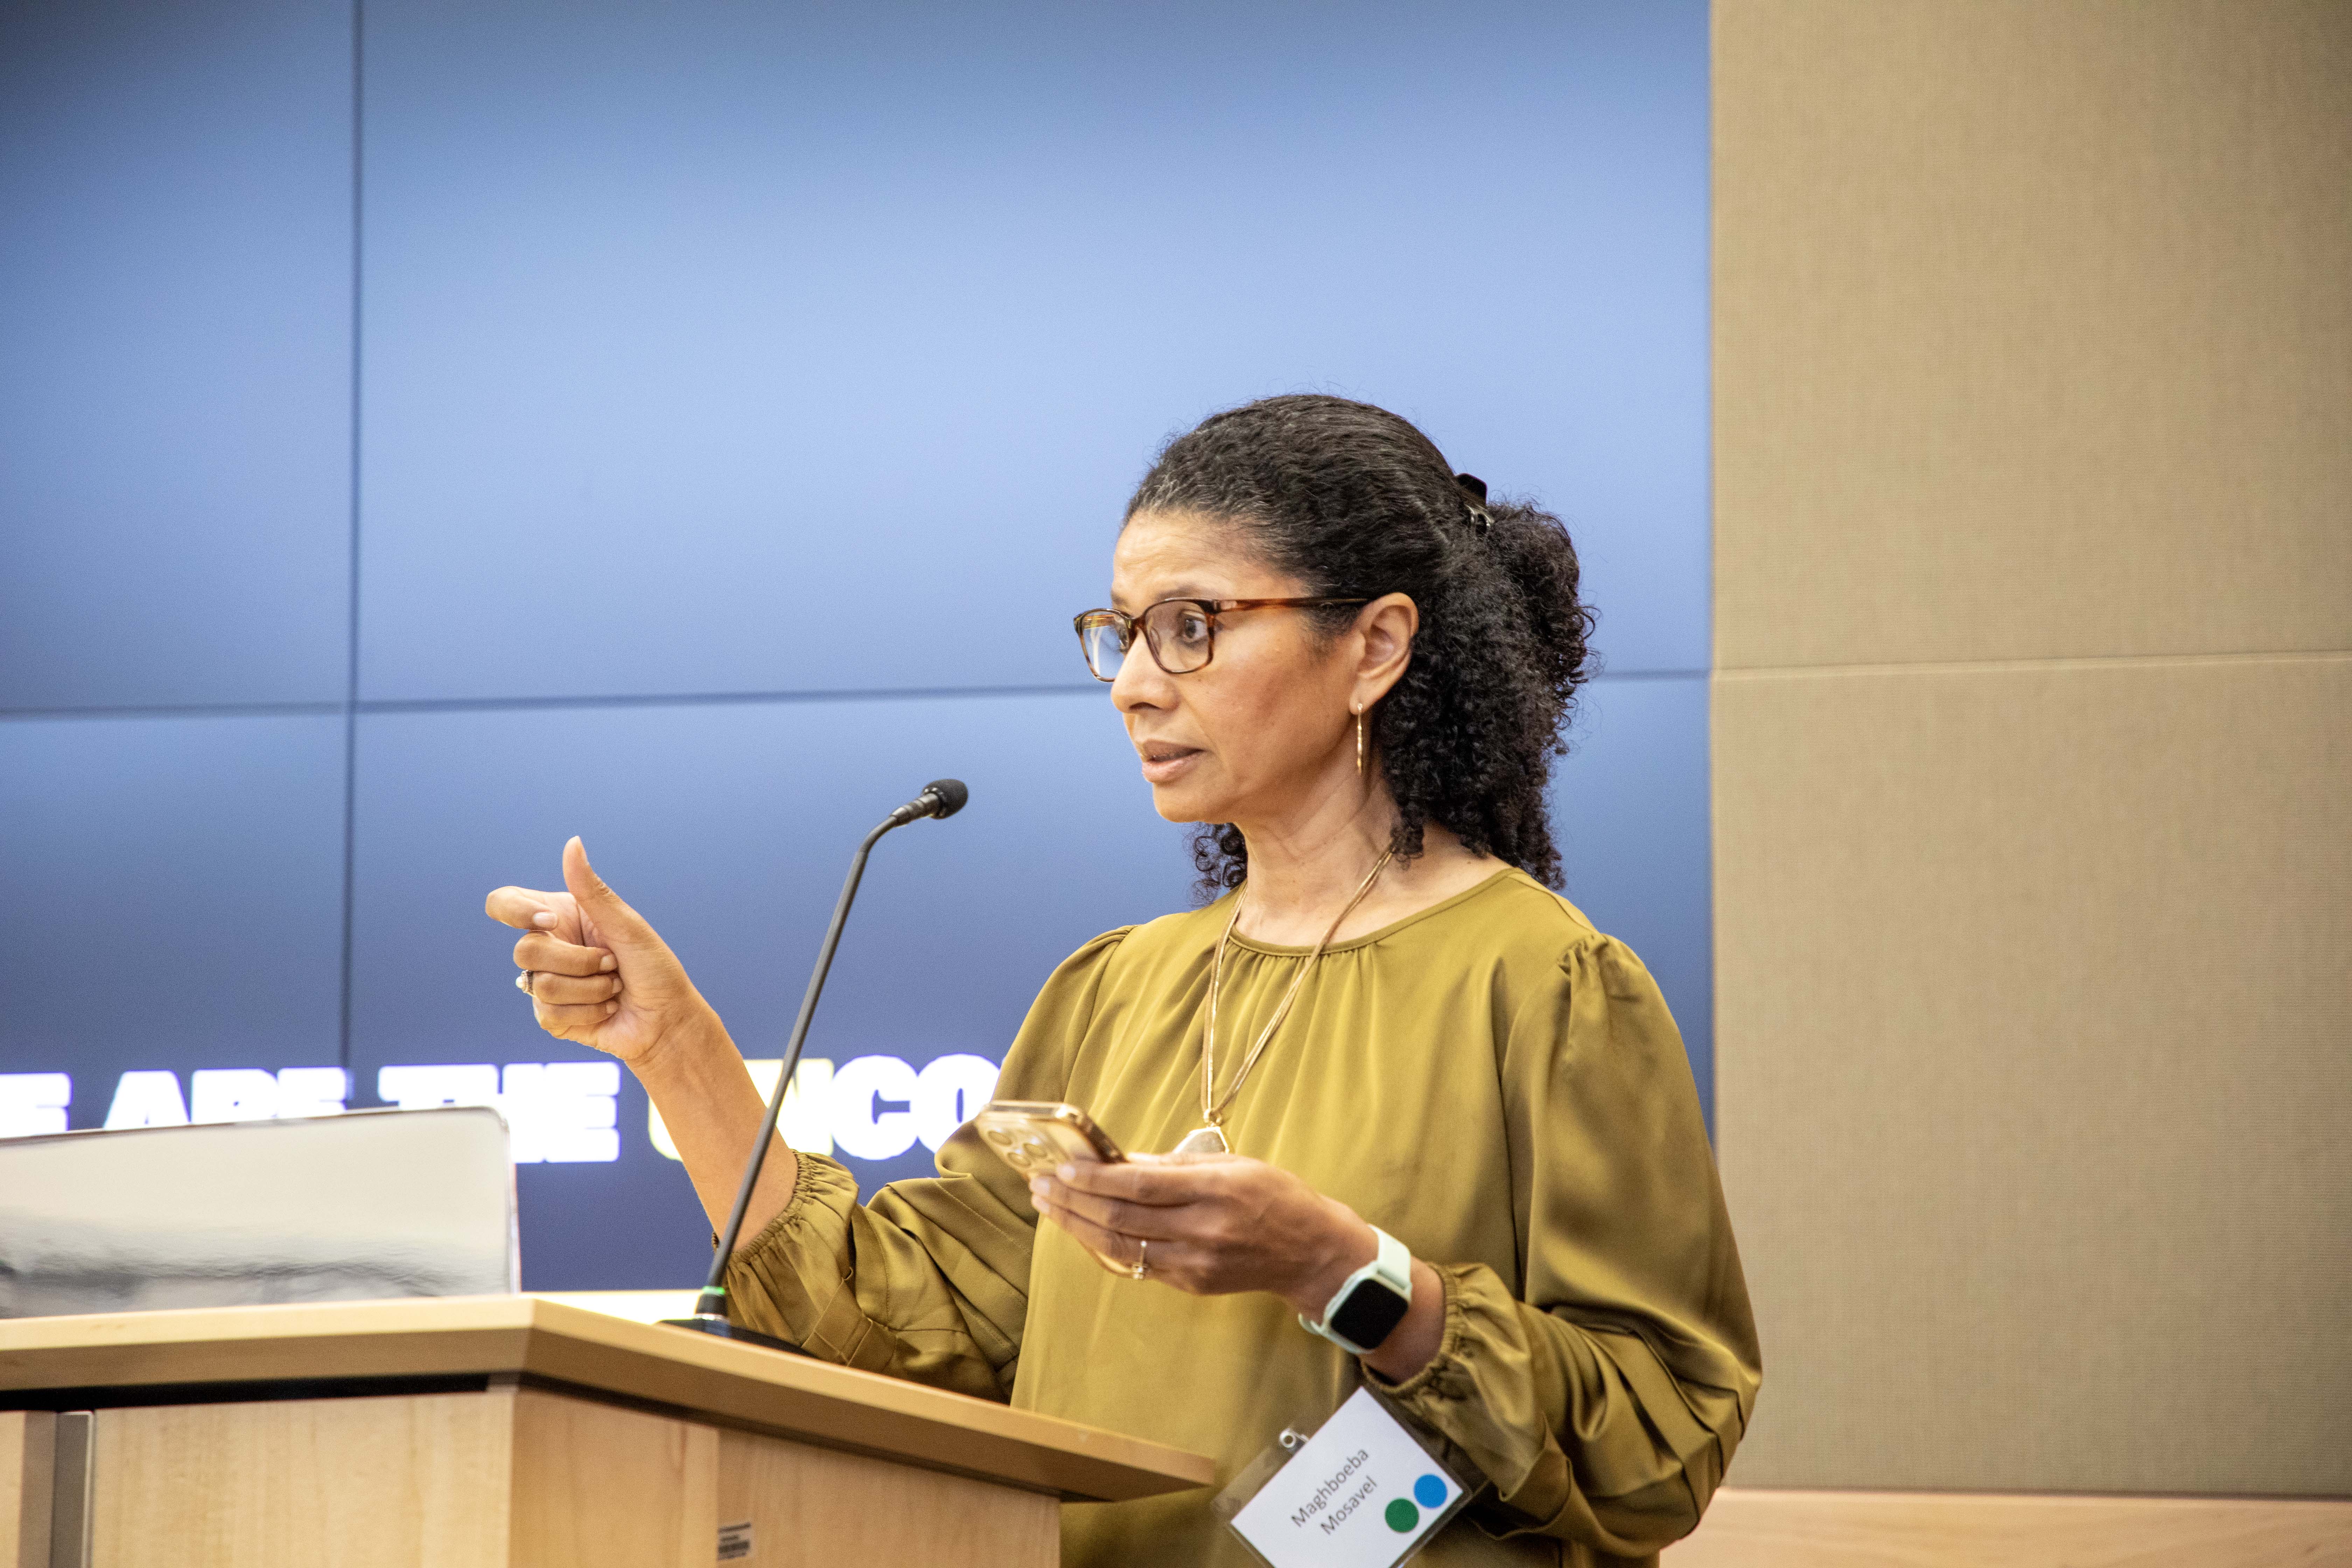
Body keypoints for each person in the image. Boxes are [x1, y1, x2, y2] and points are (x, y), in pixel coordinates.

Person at [486, 395, 1758, 1566]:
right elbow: (890, 1322)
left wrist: (1347, 1272)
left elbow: (1663, 1439)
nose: (1137, 684)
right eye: (1122, 633)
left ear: (1373, 647)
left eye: (1192, 628)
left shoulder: (1547, 982)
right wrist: (678, 1049)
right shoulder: (1116, 987)